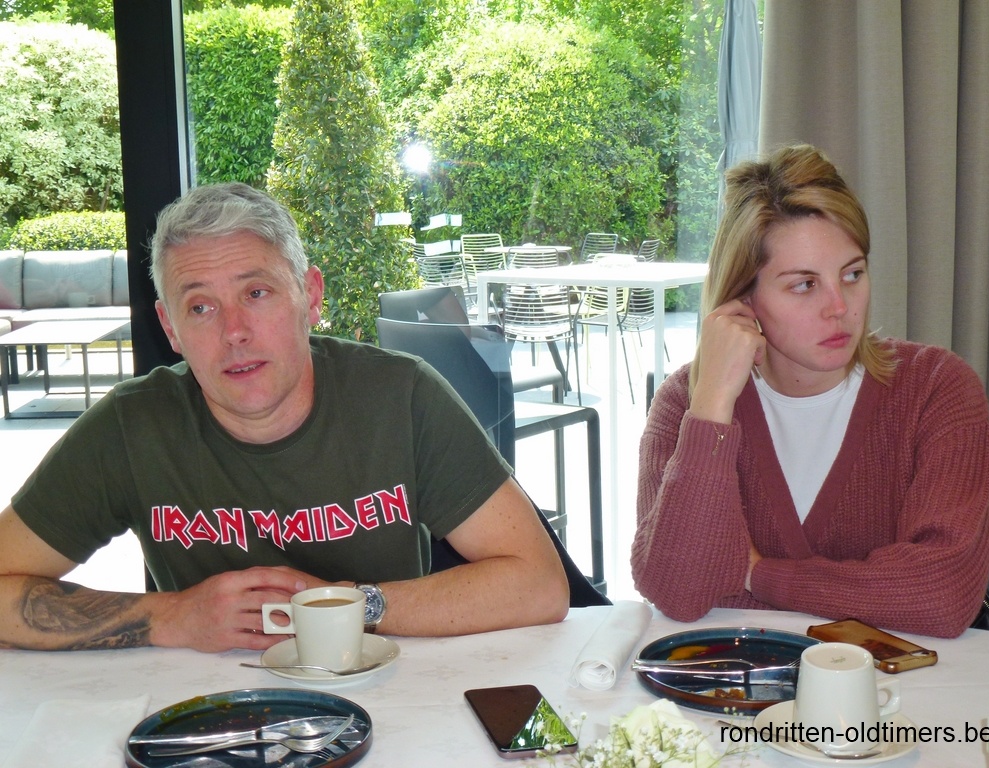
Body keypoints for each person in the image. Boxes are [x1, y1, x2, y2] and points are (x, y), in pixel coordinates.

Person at [0, 182, 569, 653]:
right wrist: (172, 616)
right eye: (200, 307)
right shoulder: (131, 428)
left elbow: (539, 584)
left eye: (257, 293)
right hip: (209, 714)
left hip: (388, 695)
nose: (234, 332)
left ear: (310, 296)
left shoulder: (401, 396)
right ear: (170, 327)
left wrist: (350, 606)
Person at [632, 145, 989, 638]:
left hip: (905, 685)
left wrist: (758, 575)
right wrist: (712, 407)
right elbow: (679, 593)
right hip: (744, 682)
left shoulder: (937, 388)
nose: (839, 307)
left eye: (852, 274)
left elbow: (941, 597)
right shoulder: (686, 403)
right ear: (744, 298)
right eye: (804, 284)